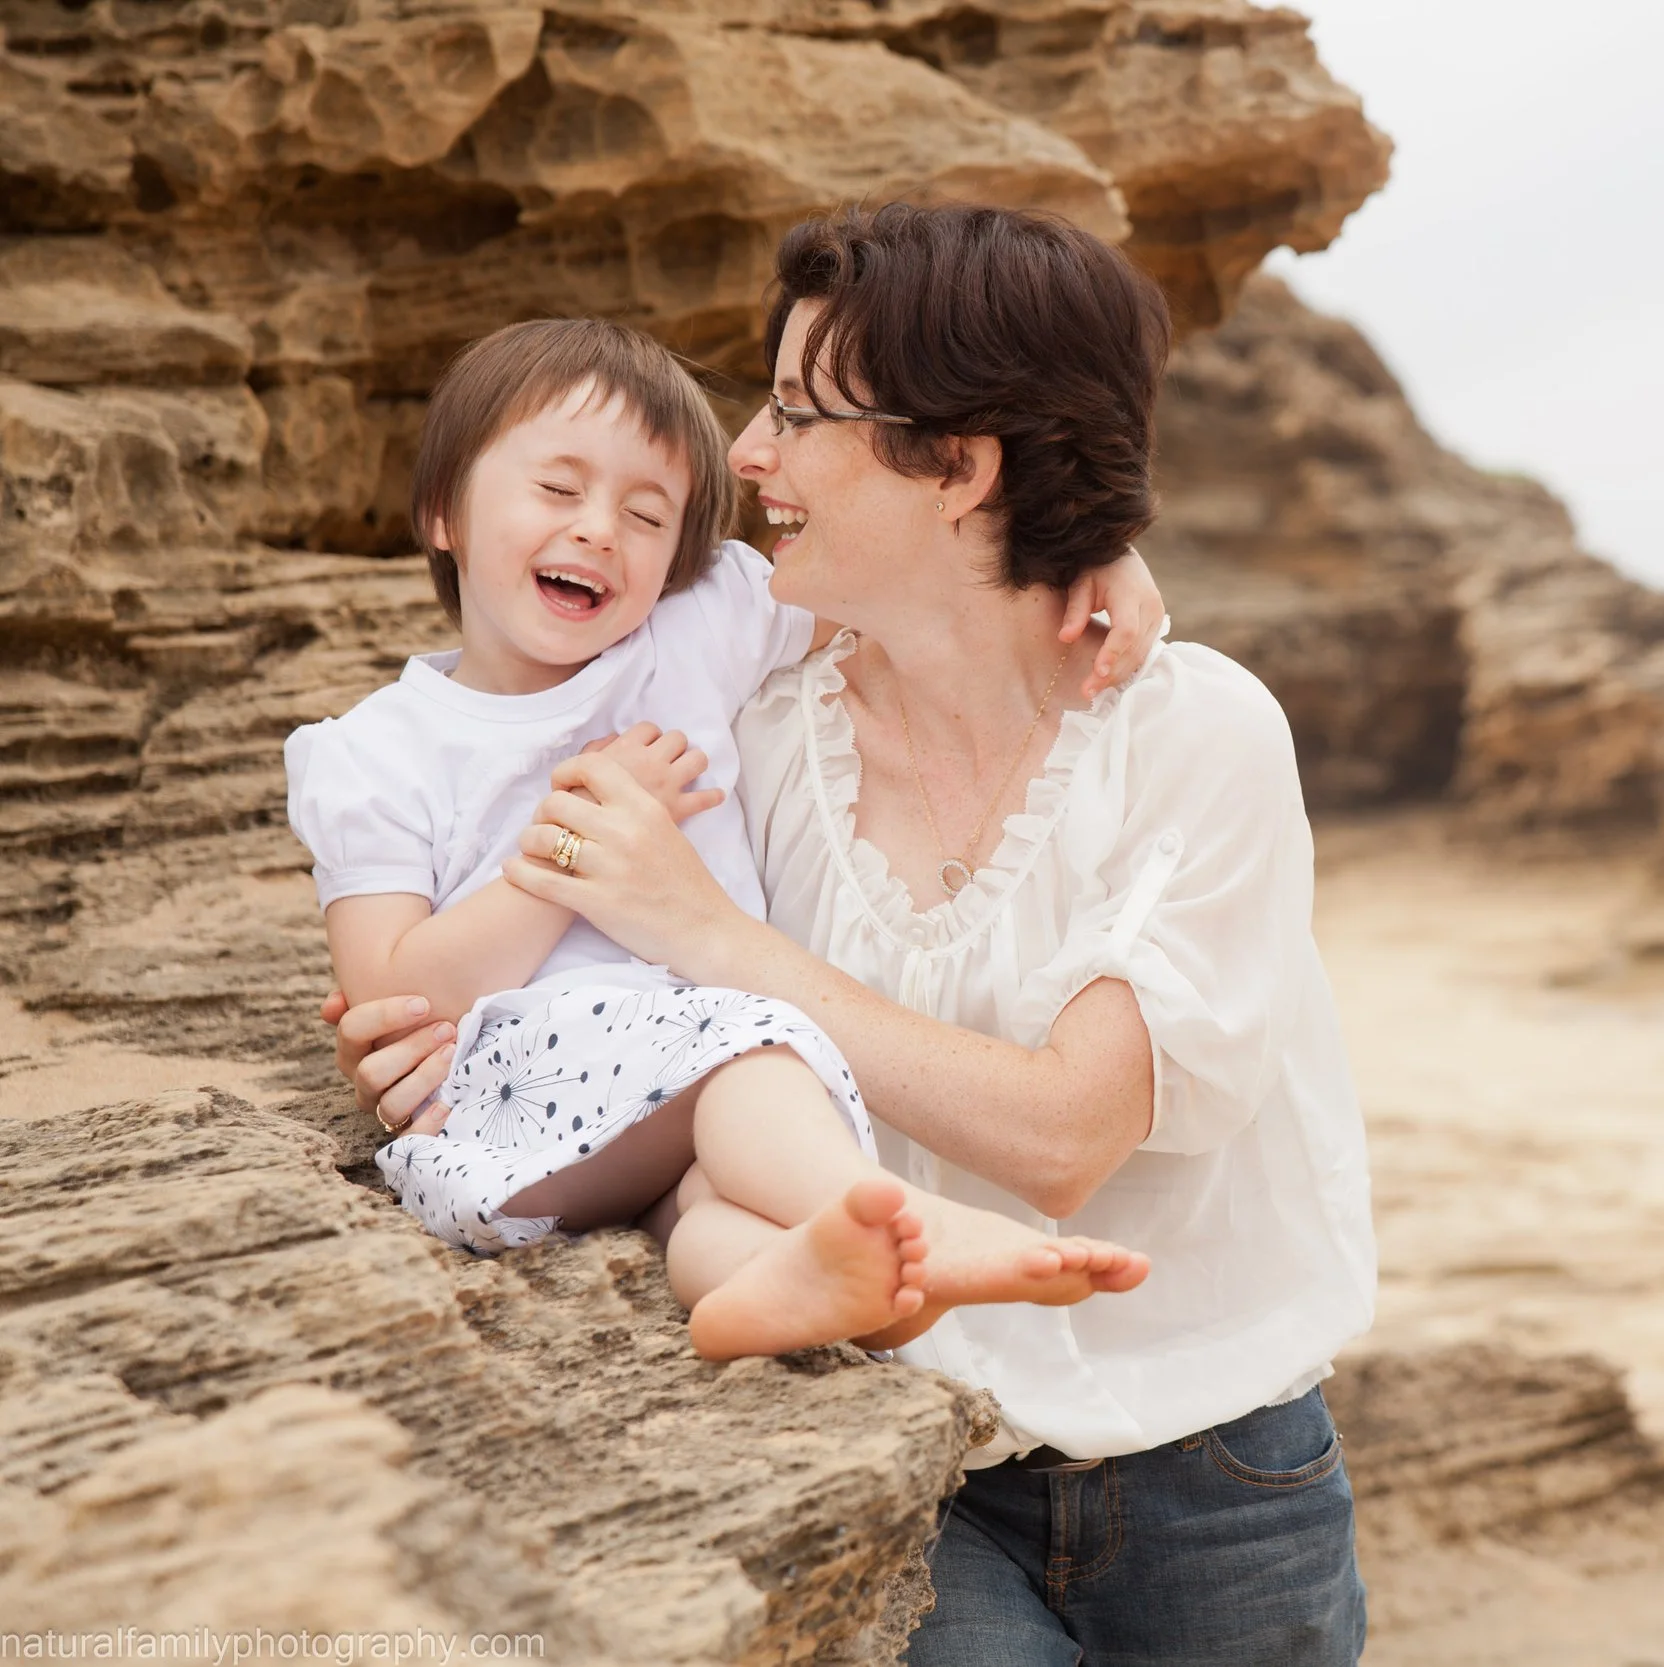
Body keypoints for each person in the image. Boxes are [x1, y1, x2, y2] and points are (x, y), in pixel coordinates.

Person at [334, 203, 1376, 1666]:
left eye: (799, 412)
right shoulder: (751, 736)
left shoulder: (1191, 728)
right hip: (905, 1449)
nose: (744, 454)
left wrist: (710, 934)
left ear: (960, 465)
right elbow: (532, 833)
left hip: (1219, 1471)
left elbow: (1067, 1133)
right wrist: (429, 1035)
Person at [289, 317, 1163, 1359]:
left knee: (711, 1204)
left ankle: (803, 1288)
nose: (601, 530)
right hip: (517, 1103)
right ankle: (908, 1222)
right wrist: (575, 847)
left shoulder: (700, 623)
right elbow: (399, 1002)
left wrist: (1091, 561)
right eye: (558, 491)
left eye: (647, 513)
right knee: (748, 1055)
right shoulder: (373, 751)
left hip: (673, 1116)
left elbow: (926, 591)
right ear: (442, 512)